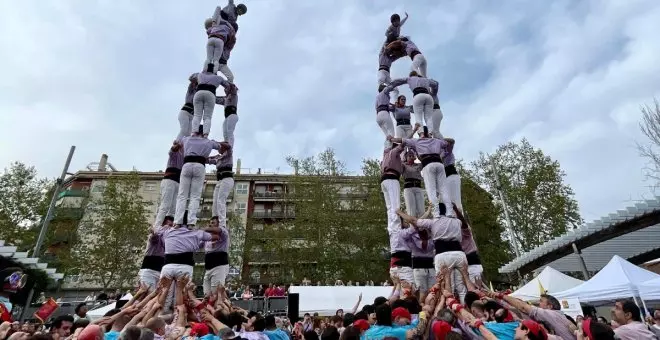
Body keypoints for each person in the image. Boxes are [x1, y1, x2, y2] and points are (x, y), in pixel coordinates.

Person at [396, 205, 475, 303]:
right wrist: (456, 211)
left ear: (436, 211)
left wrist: (400, 213)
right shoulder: (456, 221)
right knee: (462, 288)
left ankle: (449, 311)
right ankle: (464, 310)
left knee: (445, 285)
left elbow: (413, 220)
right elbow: (464, 224)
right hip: (458, 254)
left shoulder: (433, 222)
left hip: (442, 255)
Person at [158, 211, 222, 309]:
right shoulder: (196, 233)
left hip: (168, 266)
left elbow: (156, 231)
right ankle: (178, 319)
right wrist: (202, 233)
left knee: (165, 295)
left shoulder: (167, 231)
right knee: (182, 296)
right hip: (185, 267)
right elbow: (216, 237)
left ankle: (161, 318)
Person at [389, 129, 454, 218]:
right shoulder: (436, 140)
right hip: (439, 163)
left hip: (428, 164)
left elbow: (401, 140)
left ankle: (436, 213)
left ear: (421, 134)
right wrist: (437, 137)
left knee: (431, 190)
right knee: (443, 189)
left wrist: (392, 139)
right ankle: (450, 212)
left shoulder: (417, 141)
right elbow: (450, 142)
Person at [174, 127, 223, 227]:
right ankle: (191, 222)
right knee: (195, 196)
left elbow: (176, 144)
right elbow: (221, 147)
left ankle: (178, 221)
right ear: (204, 132)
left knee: (182, 195)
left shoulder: (186, 139)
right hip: (199, 166)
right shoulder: (208, 142)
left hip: (187, 164)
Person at [489, 292, 578, 340]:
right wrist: (499, 300)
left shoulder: (552, 315)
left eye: (541, 301)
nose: (538, 304)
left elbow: (523, 307)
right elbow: (518, 310)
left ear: (549, 306)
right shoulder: (561, 318)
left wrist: (502, 295)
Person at [192, 64, 236, 137]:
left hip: (198, 93)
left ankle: (194, 132)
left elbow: (191, 78)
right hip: (210, 94)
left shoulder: (199, 75)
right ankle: (205, 134)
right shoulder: (218, 77)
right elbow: (228, 85)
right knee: (207, 117)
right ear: (214, 70)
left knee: (197, 115)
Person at [153, 142, 184, 228]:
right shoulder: (174, 154)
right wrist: (178, 145)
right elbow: (172, 150)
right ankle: (157, 226)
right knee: (165, 205)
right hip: (169, 181)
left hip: (177, 183)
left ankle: (169, 225)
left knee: (173, 207)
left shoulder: (184, 157)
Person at [138, 216, 171, 291]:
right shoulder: (157, 237)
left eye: (171, 226)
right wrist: (153, 231)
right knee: (147, 294)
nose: (170, 228)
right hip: (149, 270)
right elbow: (154, 237)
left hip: (161, 271)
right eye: (168, 225)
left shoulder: (170, 240)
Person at [203, 216, 230, 297]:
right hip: (208, 268)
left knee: (216, 293)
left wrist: (203, 229)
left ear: (219, 224)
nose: (211, 225)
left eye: (213, 223)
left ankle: (227, 308)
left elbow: (218, 230)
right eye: (210, 223)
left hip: (219, 266)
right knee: (207, 295)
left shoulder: (223, 234)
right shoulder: (208, 238)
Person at [210, 141, 234, 227]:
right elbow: (208, 160)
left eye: (220, 147)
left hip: (227, 179)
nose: (218, 149)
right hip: (220, 180)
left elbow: (228, 146)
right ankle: (214, 220)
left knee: (221, 200)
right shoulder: (218, 158)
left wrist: (216, 142)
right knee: (215, 201)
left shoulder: (228, 154)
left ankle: (222, 224)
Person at [402, 150, 424, 218]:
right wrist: (404, 151)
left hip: (418, 187)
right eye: (409, 156)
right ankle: (412, 228)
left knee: (422, 211)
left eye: (412, 155)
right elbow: (400, 160)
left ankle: (422, 227)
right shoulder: (403, 165)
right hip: (409, 188)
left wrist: (416, 153)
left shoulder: (418, 165)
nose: (411, 157)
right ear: (406, 157)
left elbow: (424, 161)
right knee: (411, 211)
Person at [178, 73, 199, 140]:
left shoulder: (199, 92)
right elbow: (191, 78)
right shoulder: (191, 89)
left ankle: (183, 148)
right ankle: (176, 143)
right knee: (184, 130)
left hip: (192, 114)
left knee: (188, 134)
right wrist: (200, 76)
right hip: (185, 112)